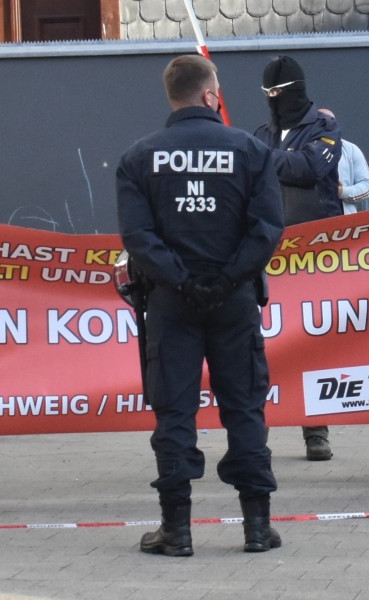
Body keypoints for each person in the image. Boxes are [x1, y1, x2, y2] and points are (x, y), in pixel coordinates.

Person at [117, 54, 284, 555]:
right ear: (212, 94)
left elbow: (138, 237)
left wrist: (183, 281)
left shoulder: (138, 157)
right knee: (245, 407)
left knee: (174, 413)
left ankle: (177, 529)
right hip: (234, 301)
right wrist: (227, 278)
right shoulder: (251, 150)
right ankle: (257, 527)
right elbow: (267, 230)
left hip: (171, 302)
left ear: (172, 95)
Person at [253, 55, 342, 461]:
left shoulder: (324, 128)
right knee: (262, 346)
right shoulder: (260, 135)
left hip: (313, 258)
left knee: (312, 345)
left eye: (279, 93)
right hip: (267, 254)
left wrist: (256, 157)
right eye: (267, 94)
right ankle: (257, 432)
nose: (274, 100)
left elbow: (309, 168)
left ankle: (316, 431)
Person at [320, 109, 369, 214]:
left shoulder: (350, 149)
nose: (325, 126)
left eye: (330, 122)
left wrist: (342, 191)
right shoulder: (301, 151)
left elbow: (368, 187)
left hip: (345, 224)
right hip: (310, 223)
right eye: (320, 122)